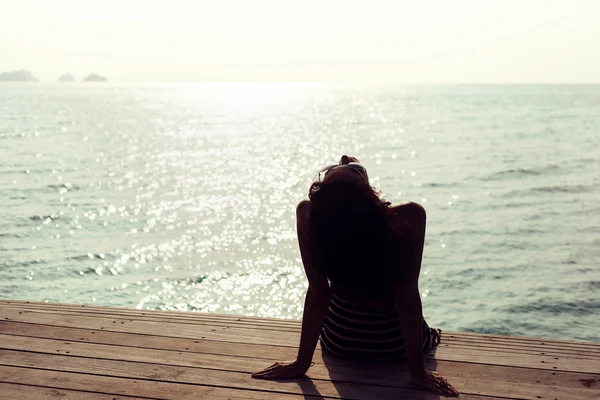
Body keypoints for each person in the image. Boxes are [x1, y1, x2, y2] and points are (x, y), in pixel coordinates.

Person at [252, 155, 459, 397]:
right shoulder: (409, 216)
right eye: (353, 169)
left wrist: (301, 363)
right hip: (395, 346)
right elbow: (406, 297)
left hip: (341, 341)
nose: (343, 159)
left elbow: (319, 292)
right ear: (368, 190)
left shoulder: (311, 216)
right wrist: (417, 372)